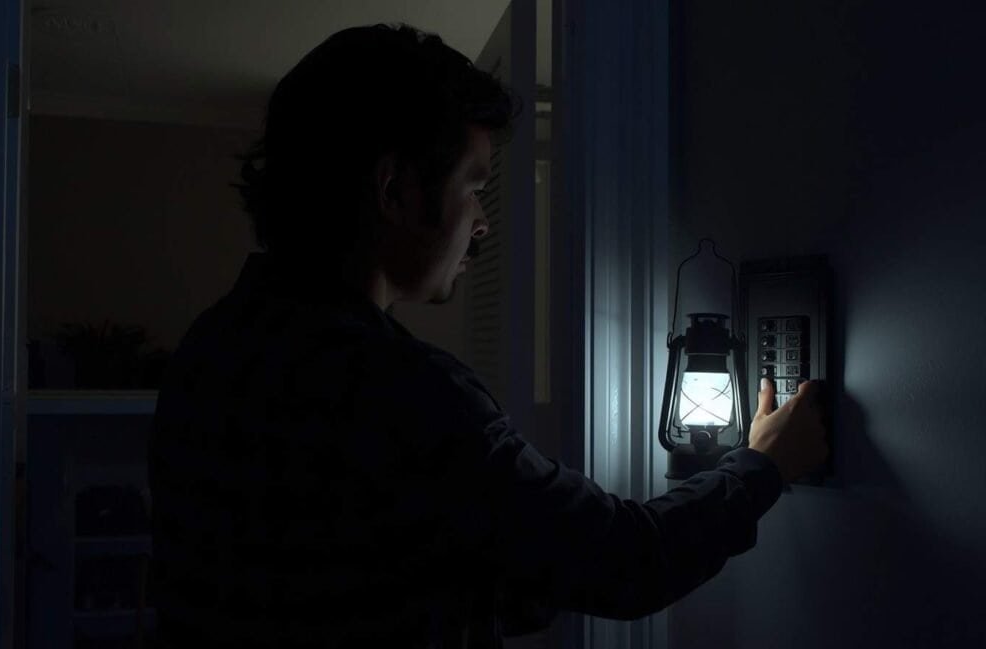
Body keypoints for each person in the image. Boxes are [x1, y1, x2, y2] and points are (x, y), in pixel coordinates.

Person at [147, 23, 828, 649]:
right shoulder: (400, 391)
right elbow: (627, 560)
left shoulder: (209, 352)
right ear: (395, 192)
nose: (481, 222)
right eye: (474, 187)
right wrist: (762, 464)